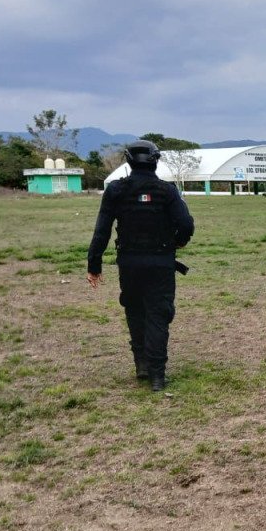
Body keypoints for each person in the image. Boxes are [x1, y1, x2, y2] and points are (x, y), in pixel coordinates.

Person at [86, 140, 195, 392]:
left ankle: (142, 364)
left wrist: (94, 265)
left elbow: (102, 230)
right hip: (161, 263)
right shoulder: (167, 191)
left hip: (129, 263)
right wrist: (178, 242)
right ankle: (157, 375)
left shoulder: (116, 190)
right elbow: (186, 224)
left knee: (135, 311)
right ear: (156, 161)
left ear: (128, 160)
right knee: (159, 315)